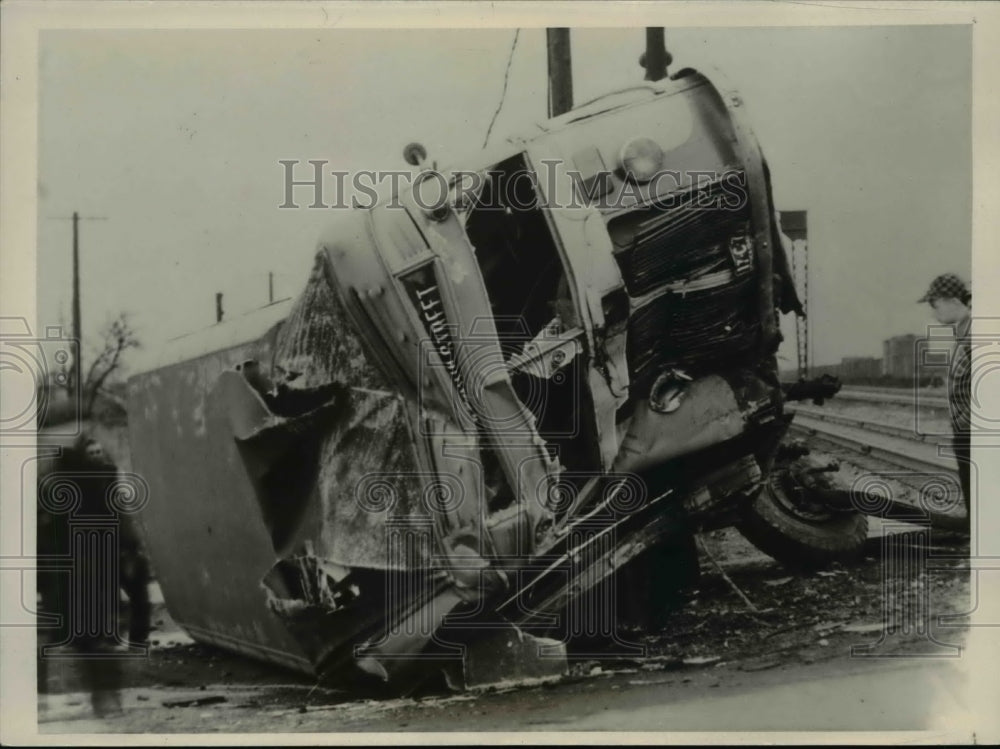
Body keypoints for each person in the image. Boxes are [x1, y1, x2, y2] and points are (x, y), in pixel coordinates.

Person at [918, 273, 972, 533]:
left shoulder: (974, 331)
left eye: (935, 305)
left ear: (951, 300)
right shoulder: (964, 331)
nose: (934, 313)